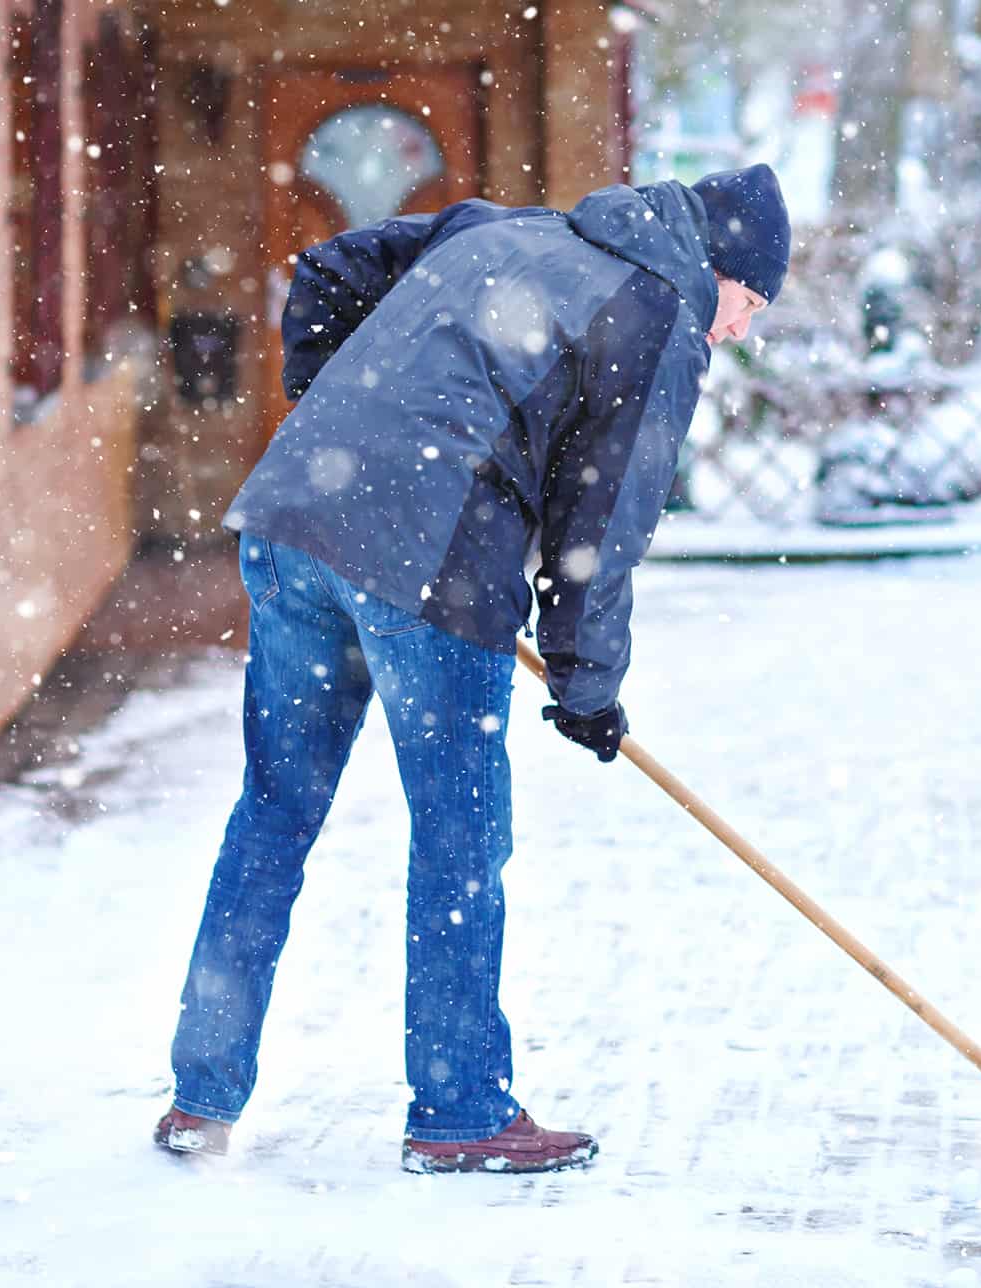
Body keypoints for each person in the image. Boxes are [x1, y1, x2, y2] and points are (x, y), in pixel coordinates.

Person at [152, 165, 790, 1173]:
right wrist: (587, 686)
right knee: (458, 838)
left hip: (294, 519)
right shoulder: (664, 309)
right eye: (751, 303)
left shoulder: (503, 229)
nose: (739, 331)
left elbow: (326, 269)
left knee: (273, 810)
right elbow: (604, 522)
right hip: (430, 562)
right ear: (720, 271)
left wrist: (345, 436)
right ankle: (459, 1113)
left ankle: (202, 1096)